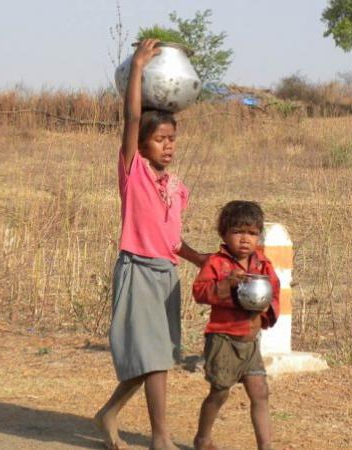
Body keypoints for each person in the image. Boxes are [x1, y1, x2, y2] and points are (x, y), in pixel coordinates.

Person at [94, 39, 207, 450]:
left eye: (172, 139)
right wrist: (139, 66)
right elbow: (131, 116)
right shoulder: (133, 172)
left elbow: (173, 240)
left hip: (166, 274)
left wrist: (200, 258)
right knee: (154, 358)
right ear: (141, 145)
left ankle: (108, 414)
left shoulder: (177, 188)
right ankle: (161, 437)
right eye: (160, 139)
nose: (169, 146)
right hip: (138, 269)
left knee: (160, 356)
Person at [192, 201, 281, 450]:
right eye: (238, 232)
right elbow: (199, 292)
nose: (245, 239)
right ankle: (203, 438)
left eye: (252, 233)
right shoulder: (217, 264)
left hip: (250, 343)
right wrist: (227, 285)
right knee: (220, 392)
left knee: (260, 392)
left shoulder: (263, 265)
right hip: (223, 340)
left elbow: (274, 292)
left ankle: (266, 446)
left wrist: (265, 309)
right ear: (224, 233)